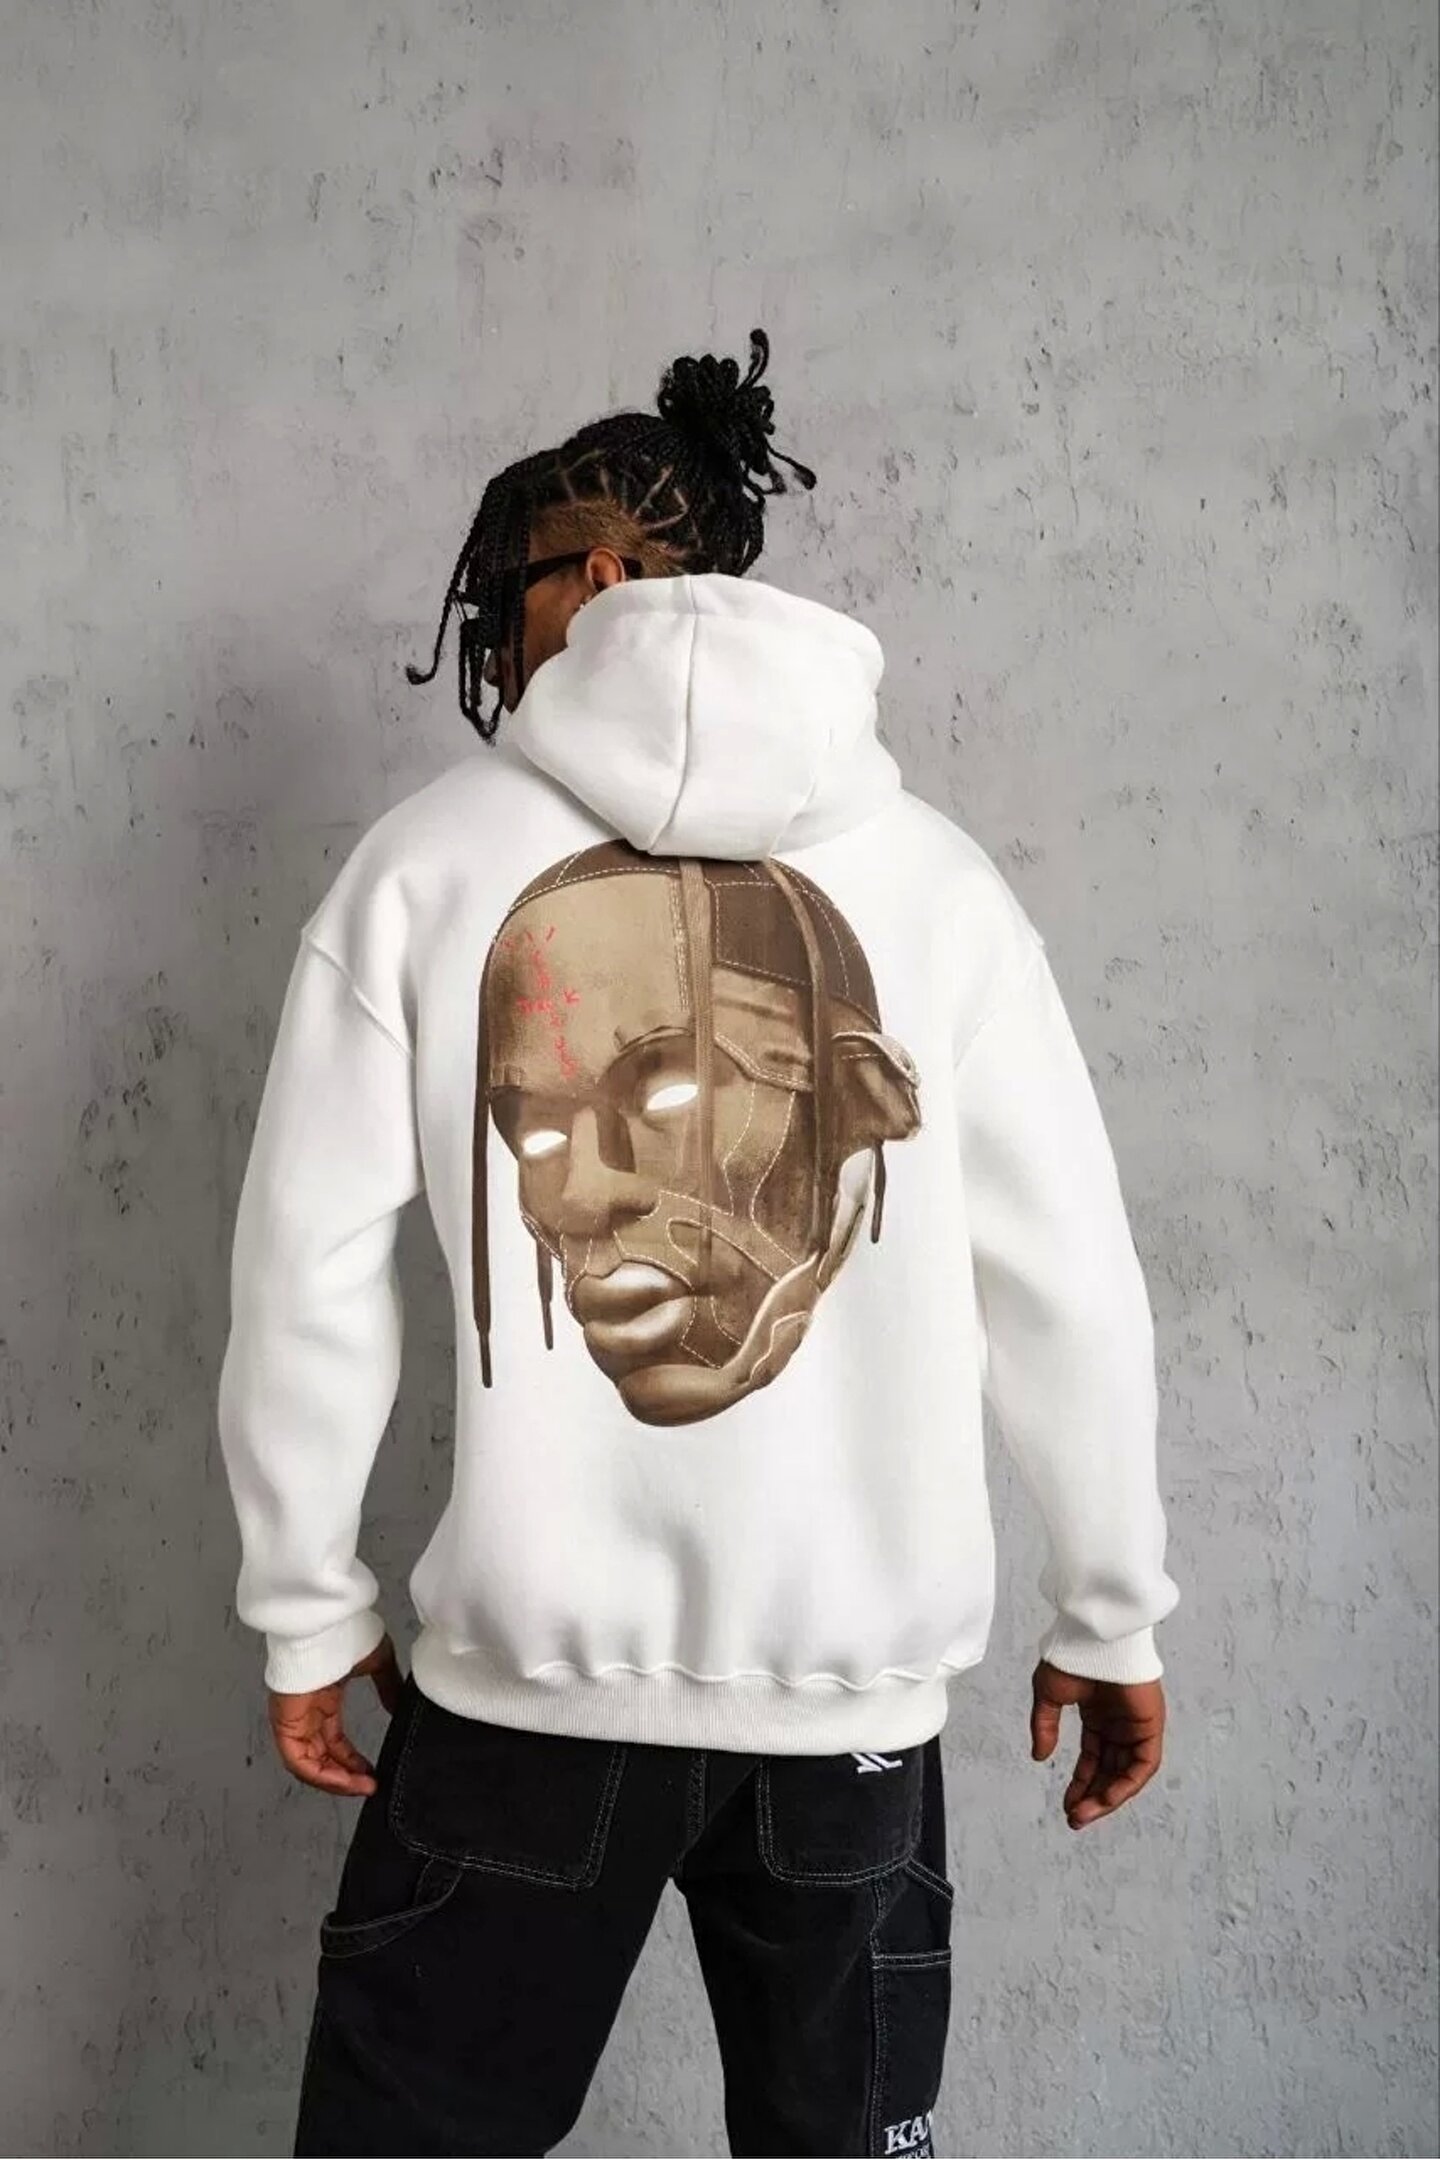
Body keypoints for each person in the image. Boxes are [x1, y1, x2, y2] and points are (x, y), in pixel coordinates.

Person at [216, 327, 1180, 2159]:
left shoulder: (421, 868)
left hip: (520, 1700)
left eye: (507, 599)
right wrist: (1109, 1601)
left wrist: (306, 1601)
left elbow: (307, 1269)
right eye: (551, 1130)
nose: (496, 644)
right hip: (853, 1719)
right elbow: (1070, 1279)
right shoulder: (944, 885)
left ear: (585, 587)